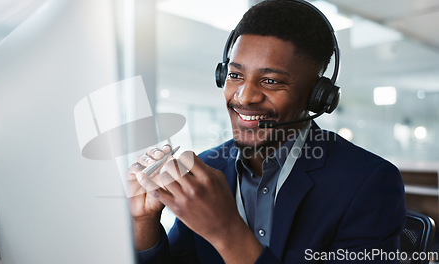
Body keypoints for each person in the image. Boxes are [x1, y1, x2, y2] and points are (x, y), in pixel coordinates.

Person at [127, 0, 406, 263]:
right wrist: (144, 224)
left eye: (270, 81)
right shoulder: (209, 166)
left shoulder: (369, 182)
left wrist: (226, 231)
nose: (244, 97)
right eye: (235, 75)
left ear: (316, 97)